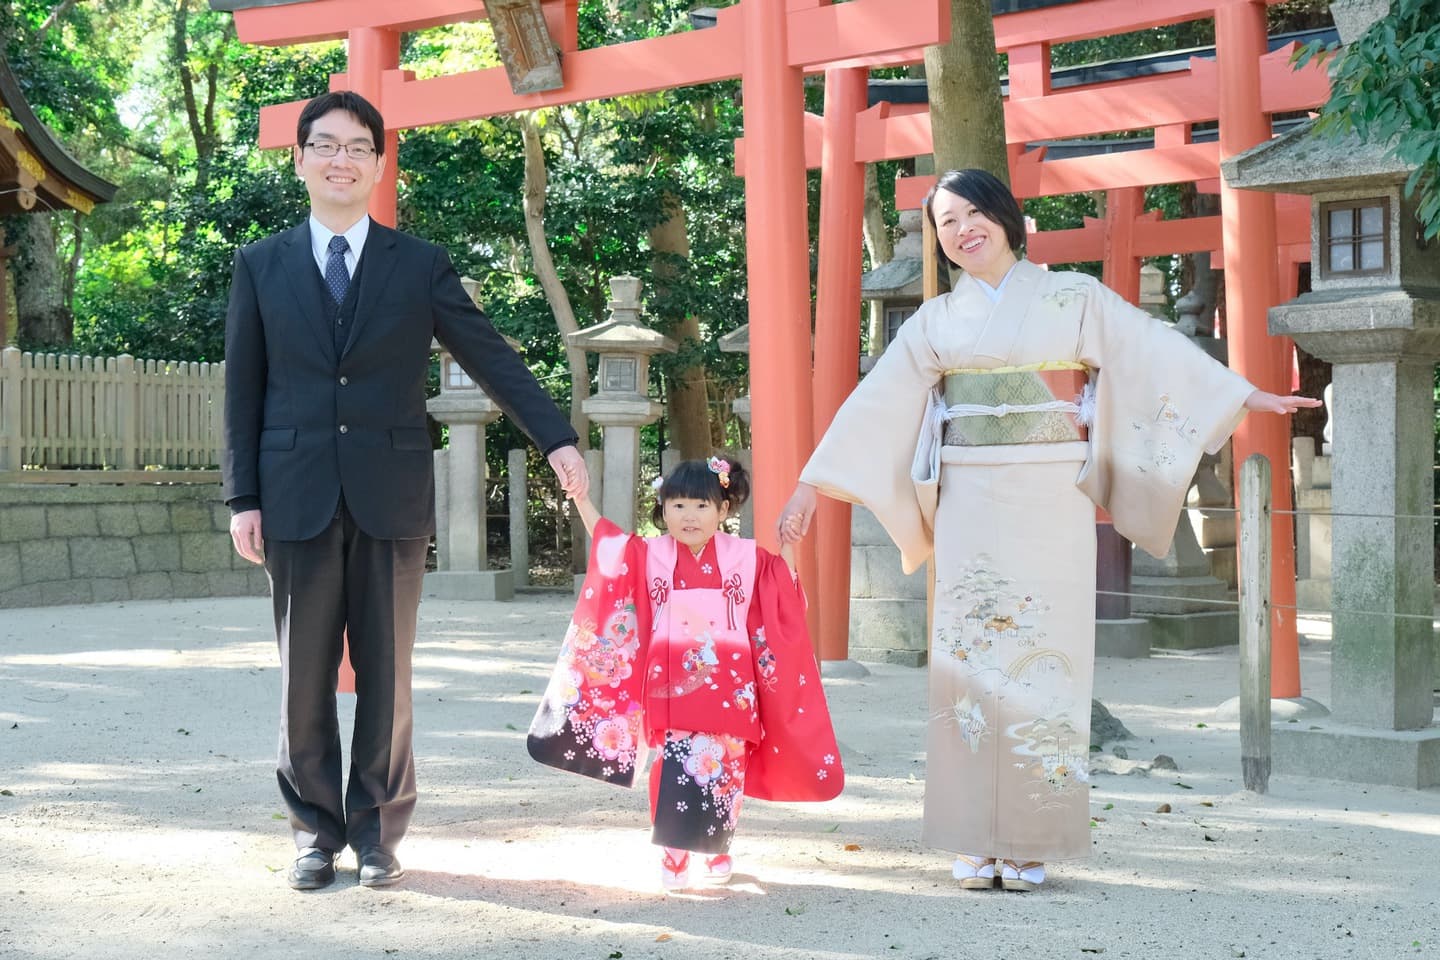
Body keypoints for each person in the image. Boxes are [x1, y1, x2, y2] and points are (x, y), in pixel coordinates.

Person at [777, 168, 1319, 892]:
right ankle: (972, 836)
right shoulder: (938, 320)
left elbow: (1149, 348)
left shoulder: (1075, 297)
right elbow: (877, 402)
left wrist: (1242, 392)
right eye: (947, 223)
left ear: (1005, 217)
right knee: (970, 657)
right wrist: (815, 481)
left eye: (975, 214)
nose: (963, 230)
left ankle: (1029, 839)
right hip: (970, 490)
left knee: (1046, 653)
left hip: (1053, 490)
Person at [222, 90, 587, 891]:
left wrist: (557, 437)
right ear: (300, 160)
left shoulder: (418, 264)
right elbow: (242, 388)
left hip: (390, 495)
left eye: (358, 147)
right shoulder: (261, 264)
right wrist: (241, 496)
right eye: (325, 145)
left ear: (378, 165)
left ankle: (380, 832)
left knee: (387, 673)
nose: (341, 159)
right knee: (303, 674)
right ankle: (314, 833)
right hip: (293, 492)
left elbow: (490, 355)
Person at [528, 457, 843, 891]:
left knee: (727, 763)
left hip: (731, 686)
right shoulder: (651, 553)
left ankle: (716, 845)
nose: (688, 516)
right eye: (677, 506)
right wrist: (581, 498)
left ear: (723, 510)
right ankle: (674, 851)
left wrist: (788, 545)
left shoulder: (745, 557)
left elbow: (780, 592)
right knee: (674, 764)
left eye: (700, 505)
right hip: (670, 683)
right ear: (663, 510)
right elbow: (609, 545)